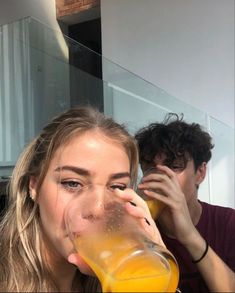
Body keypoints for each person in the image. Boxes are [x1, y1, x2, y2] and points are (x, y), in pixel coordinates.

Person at [0, 106, 164, 292]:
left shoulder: (113, 282)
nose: (97, 209)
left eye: (117, 187)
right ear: (35, 186)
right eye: (72, 183)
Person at [135, 113, 235, 293]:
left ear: (200, 173)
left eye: (174, 166)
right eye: (150, 166)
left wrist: (189, 235)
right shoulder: (138, 229)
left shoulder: (228, 223)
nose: (160, 177)